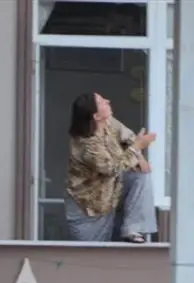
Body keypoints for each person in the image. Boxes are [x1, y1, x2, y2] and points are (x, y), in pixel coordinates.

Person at [65, 92, 158, 243]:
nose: (108, 101)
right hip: (88, 210)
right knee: (90, 258)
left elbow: (129, 137)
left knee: (140, 177)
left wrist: (139, 157)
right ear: (96, 116)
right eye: (102, 102)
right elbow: (113, 168)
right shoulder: (87, 145)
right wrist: (137, 148)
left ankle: (133, 228)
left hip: (110, 198)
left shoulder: (108, 122)